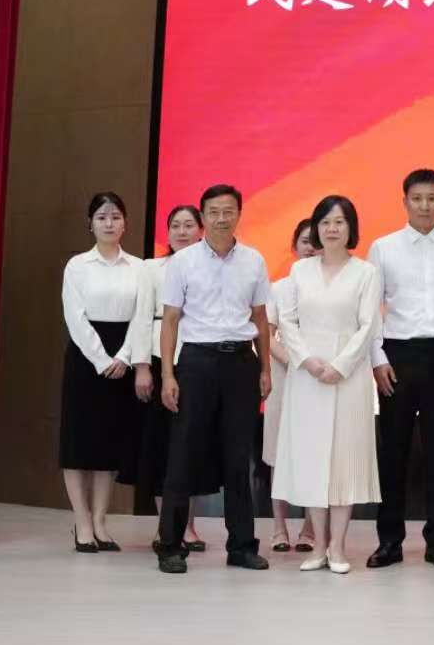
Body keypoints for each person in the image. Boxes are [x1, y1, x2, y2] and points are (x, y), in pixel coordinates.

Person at [154, 183, 273, 574]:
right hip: (197, 363)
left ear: (239, 214)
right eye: (214, 212)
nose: (222, 218)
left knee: (238, 457)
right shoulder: (183, 262)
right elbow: (170, 320)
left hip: (240, 363)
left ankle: (242, 546)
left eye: (228, 211)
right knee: (184, 453)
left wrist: (265, 368)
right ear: (203, 217)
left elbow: (260, 320)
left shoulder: (254, 261)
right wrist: (168, 374)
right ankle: (170, 545)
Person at [367, 168, 434, 569]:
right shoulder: (383, 248)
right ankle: (389, 541)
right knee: (393, 452)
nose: (425, 206)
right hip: (397, 355)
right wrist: (378, 359)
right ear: (405, 202)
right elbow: (370, 309)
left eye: (432, 198)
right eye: (417, 199)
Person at [273, 195, 383, 575]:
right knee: (311, 457)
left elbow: (368, 326)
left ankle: (337, 546)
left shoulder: (366, 273)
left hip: (348, 377)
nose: (332, 229)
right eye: (325, 222)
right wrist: (306, 360)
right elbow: (287, 321)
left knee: (343, 460)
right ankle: (318, 545)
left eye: (339, 222)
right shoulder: (300, 271)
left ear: (351, 228)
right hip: (307, 376)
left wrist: (340, 365)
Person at [59, 191, 153, 553]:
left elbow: (142, 315)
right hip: (87, 358)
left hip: (123, 355)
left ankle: (100, 521)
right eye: (102, 217)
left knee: (109, 443)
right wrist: (101, 360)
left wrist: (125, 357)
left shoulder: (139, 267)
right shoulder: (78, 265)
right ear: (91, 224)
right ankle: (82, 521)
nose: (109, 223)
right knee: (78, 442)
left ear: (125, 223)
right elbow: (75, 317)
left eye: (115, 217)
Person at [139, 203, 210, 552]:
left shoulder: (210, 265)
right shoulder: (152, 268)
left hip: (198, 359)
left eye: (188, 225)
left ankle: (189, 526)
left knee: (193, 445)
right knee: (162, 446)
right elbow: (141, 317)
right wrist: (141, 365)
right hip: (158, 358)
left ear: (201, 230)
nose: (181, 232)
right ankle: (164, 526)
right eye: (175, 226)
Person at [264, 218, 320, 554]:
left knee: (315, 452)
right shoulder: (279, 288)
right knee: (277, 453)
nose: (311, 247)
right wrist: (295, 361)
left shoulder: (330, 286)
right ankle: (279, 527)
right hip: (285, 374)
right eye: (305, 241)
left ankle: (310, 528)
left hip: (319, 377)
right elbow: (267, 335)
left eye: (316, 241)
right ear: (294, 246)